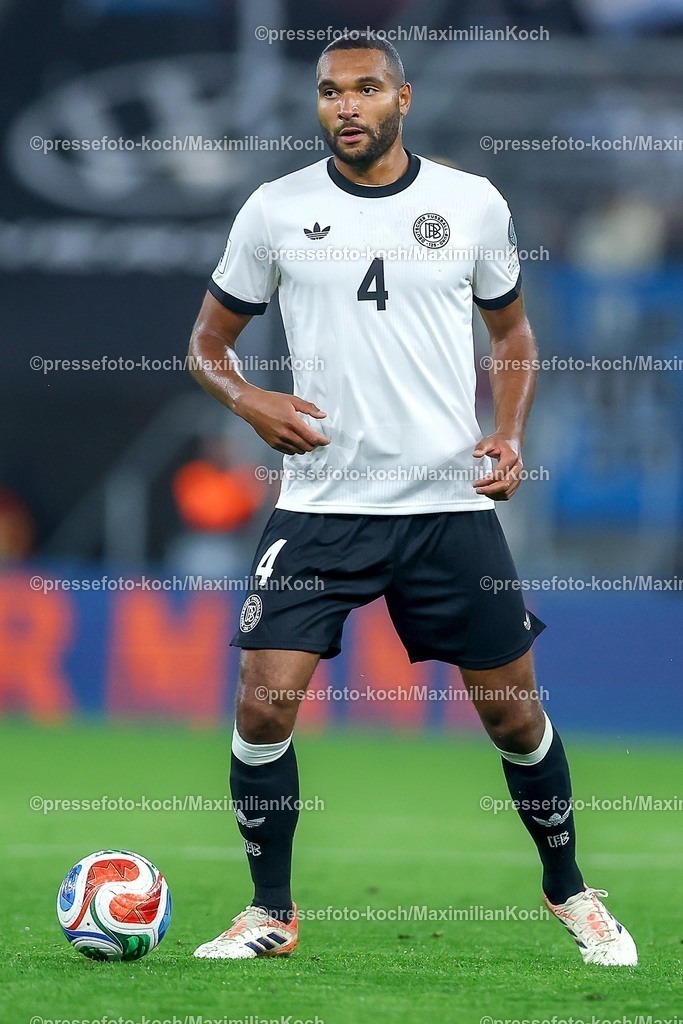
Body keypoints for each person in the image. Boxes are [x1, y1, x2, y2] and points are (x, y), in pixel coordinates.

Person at [187, 33, 636, 967]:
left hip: (447, 508)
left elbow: (513, 337)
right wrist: (248, 398)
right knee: (262, 707)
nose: (343, 106)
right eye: (327, 93)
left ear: (402, 97)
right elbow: (206, 343)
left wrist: (508, 433)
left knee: (513, 715)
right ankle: (271, 912)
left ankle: (569, 892)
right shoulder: (275, 210)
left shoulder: (470, 204)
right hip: (321, 505)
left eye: (363, 89)